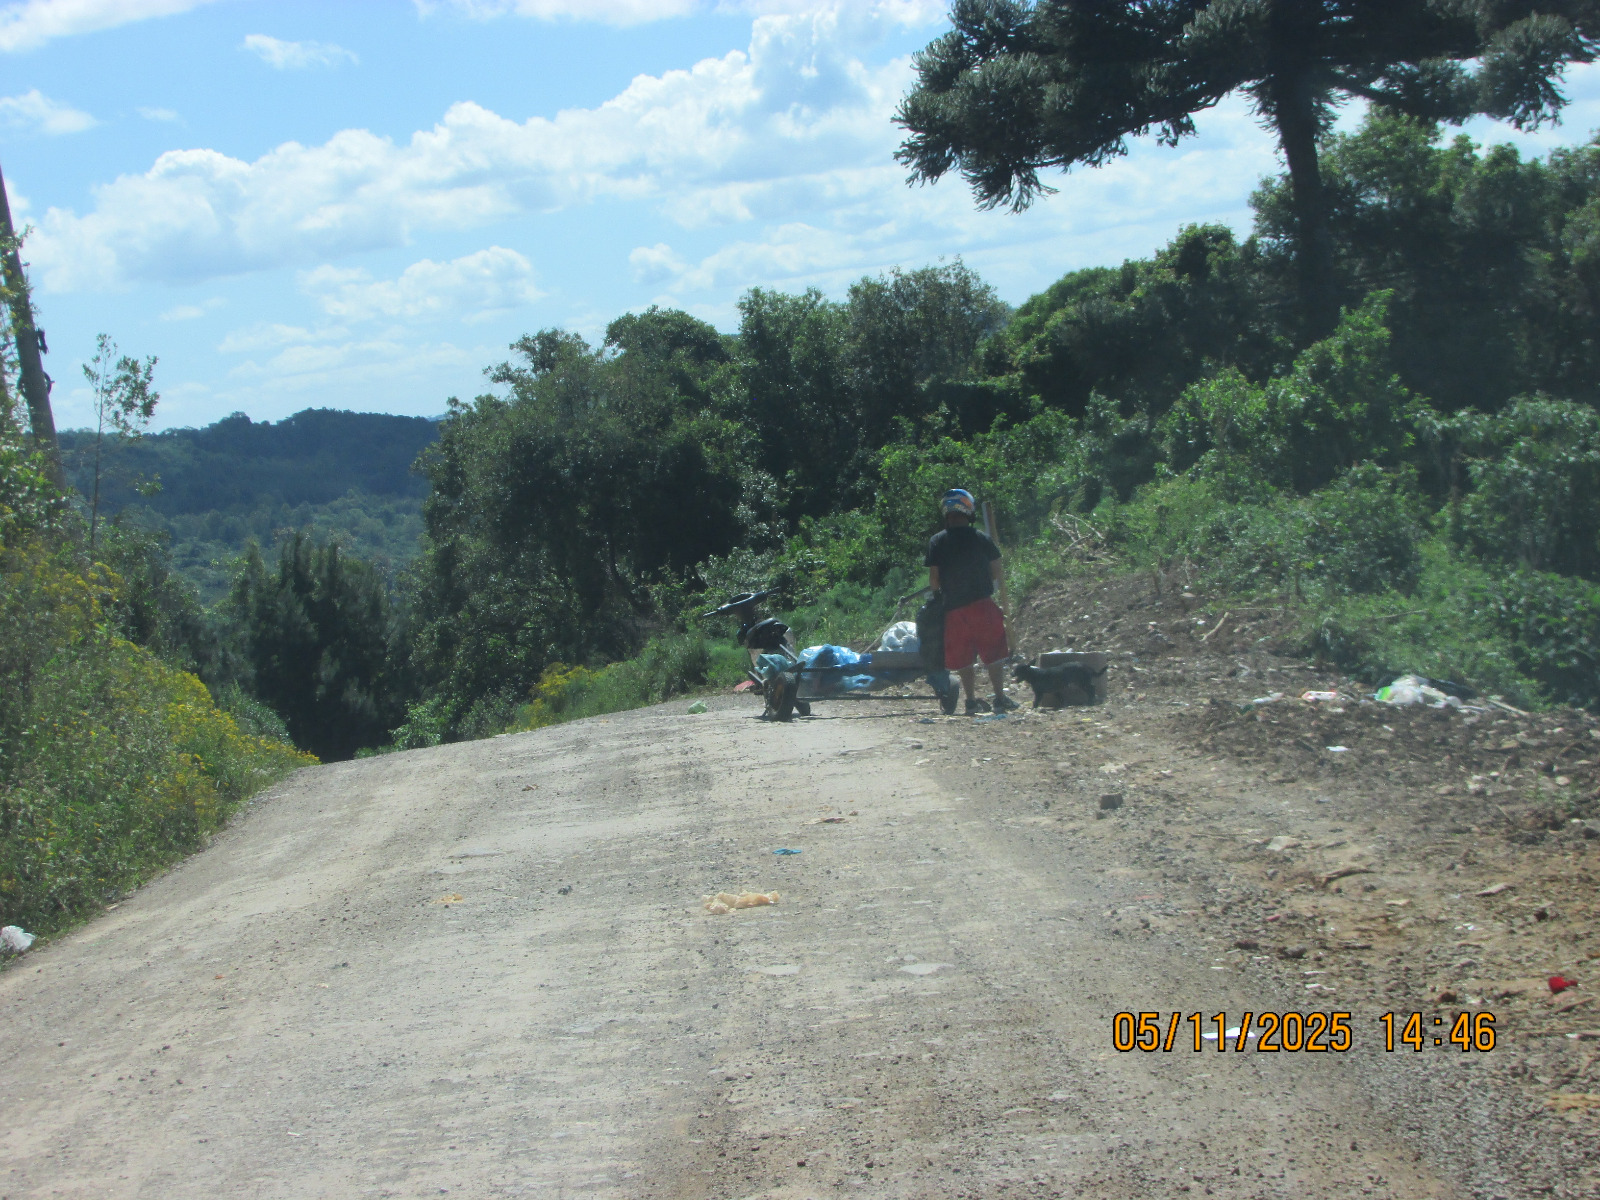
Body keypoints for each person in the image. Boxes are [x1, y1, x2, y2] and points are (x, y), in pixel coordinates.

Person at [925, 488, 1018, 716]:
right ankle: (999, 697)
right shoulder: (981, 538)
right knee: (994, 653)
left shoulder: (937, 541)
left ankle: (970, 701)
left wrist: (939, 595)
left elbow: (934, 579)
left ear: (946, 512)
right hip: (982, 605)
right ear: (968, 510)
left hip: (954, 610)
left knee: (964, 657)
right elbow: (996, 571)